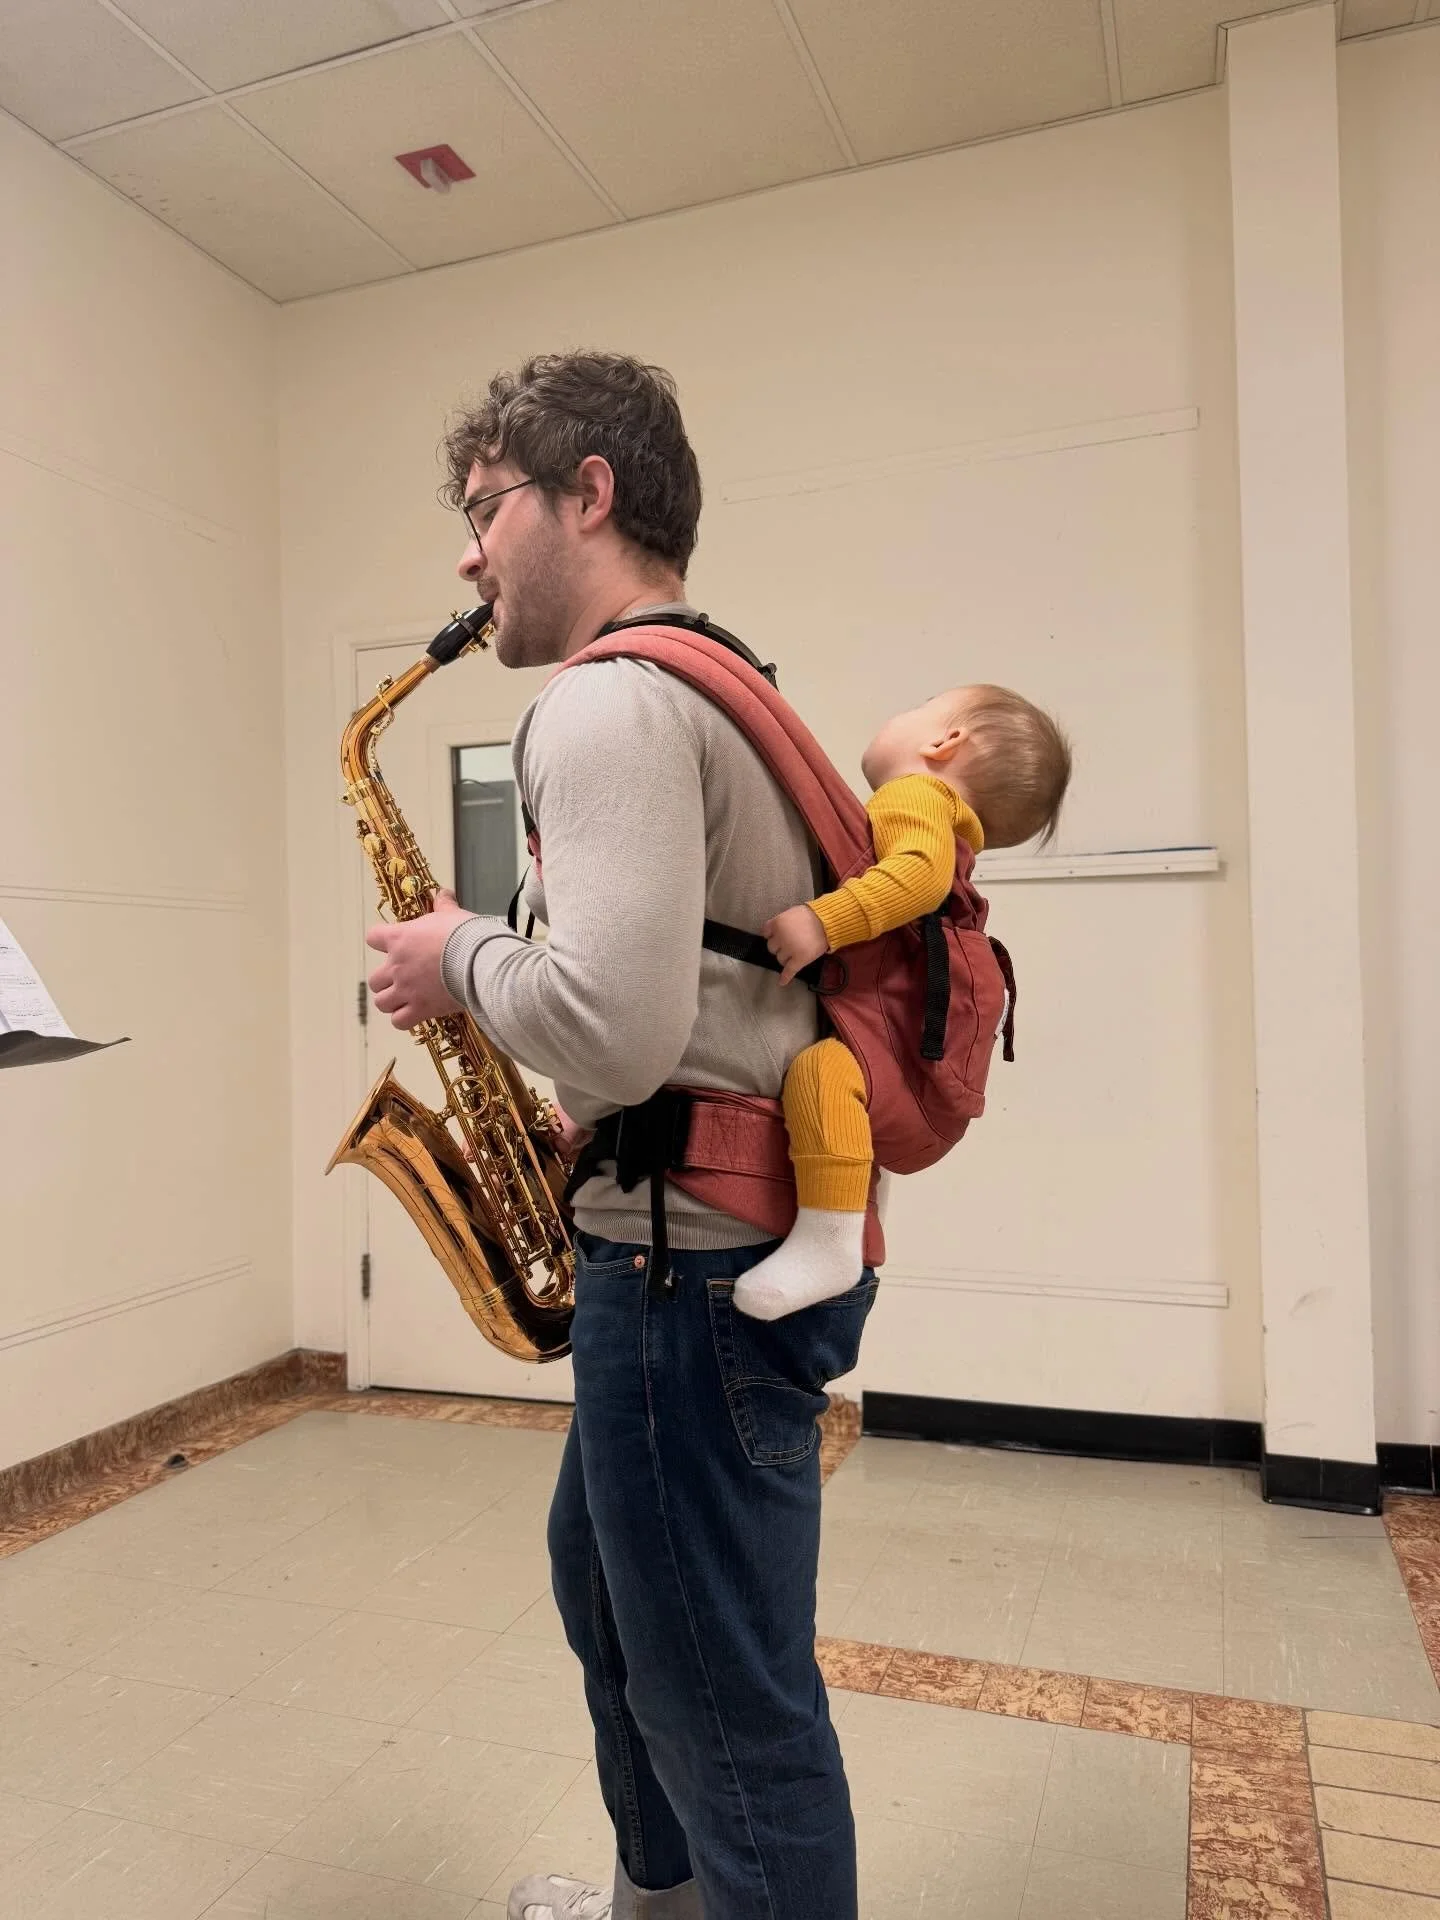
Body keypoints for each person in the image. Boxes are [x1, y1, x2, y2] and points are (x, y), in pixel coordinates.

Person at [365, 352, 873, 1920]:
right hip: (700, 1251)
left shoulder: (605, 703)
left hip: (682, 1275)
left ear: (587, 494)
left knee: (731, 1707)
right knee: (610, 1593)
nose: (467, 556)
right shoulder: (718, 678)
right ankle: (659, 1900)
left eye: (483, 510)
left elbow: (616, 1026)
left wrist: (455, 954)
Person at [735, 683, 1071, 1322]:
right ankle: (839, 1223)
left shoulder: (917, 795)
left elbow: (916, 876)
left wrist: (824, 922)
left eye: (920, 708)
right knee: (840, 1089)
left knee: (820, 1075)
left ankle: (830, 1244)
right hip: (920, 1075)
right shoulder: (947, 825)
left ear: (945, 742)